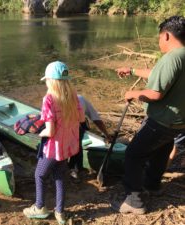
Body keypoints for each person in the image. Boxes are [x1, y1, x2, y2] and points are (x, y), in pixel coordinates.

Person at [113, 16, 185, 215]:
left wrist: (133, 94)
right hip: (178, 123)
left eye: (160, 37)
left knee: (133, 155)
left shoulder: (172, 57)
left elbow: (155, 94)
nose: (159, 42)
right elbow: (159, 75)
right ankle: (153, 185)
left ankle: (134, 201)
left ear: (168, 35)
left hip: (161, 121)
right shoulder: (181, 56)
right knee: (162, 150)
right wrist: (133, 70)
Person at [23, 61, 85, 224]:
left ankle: (39, 207)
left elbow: (49, 131)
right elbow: (82, 118)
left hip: (52, 148)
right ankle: (60, 213)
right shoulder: (73, 96)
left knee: (40, 174)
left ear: (51, 81)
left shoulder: (49, 99)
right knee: (60, 176)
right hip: (67, 146)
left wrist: (35, 132)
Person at [68, 94, 112, 180]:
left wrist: (107, 135)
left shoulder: (80, 99)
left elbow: (96, 119)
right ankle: (75, 168)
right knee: (75, 145)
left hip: (74, 126)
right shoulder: (79, 98)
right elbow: (96, 119)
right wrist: (106, 134)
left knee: (76, 145)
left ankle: (74, 168)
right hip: (66, 126)